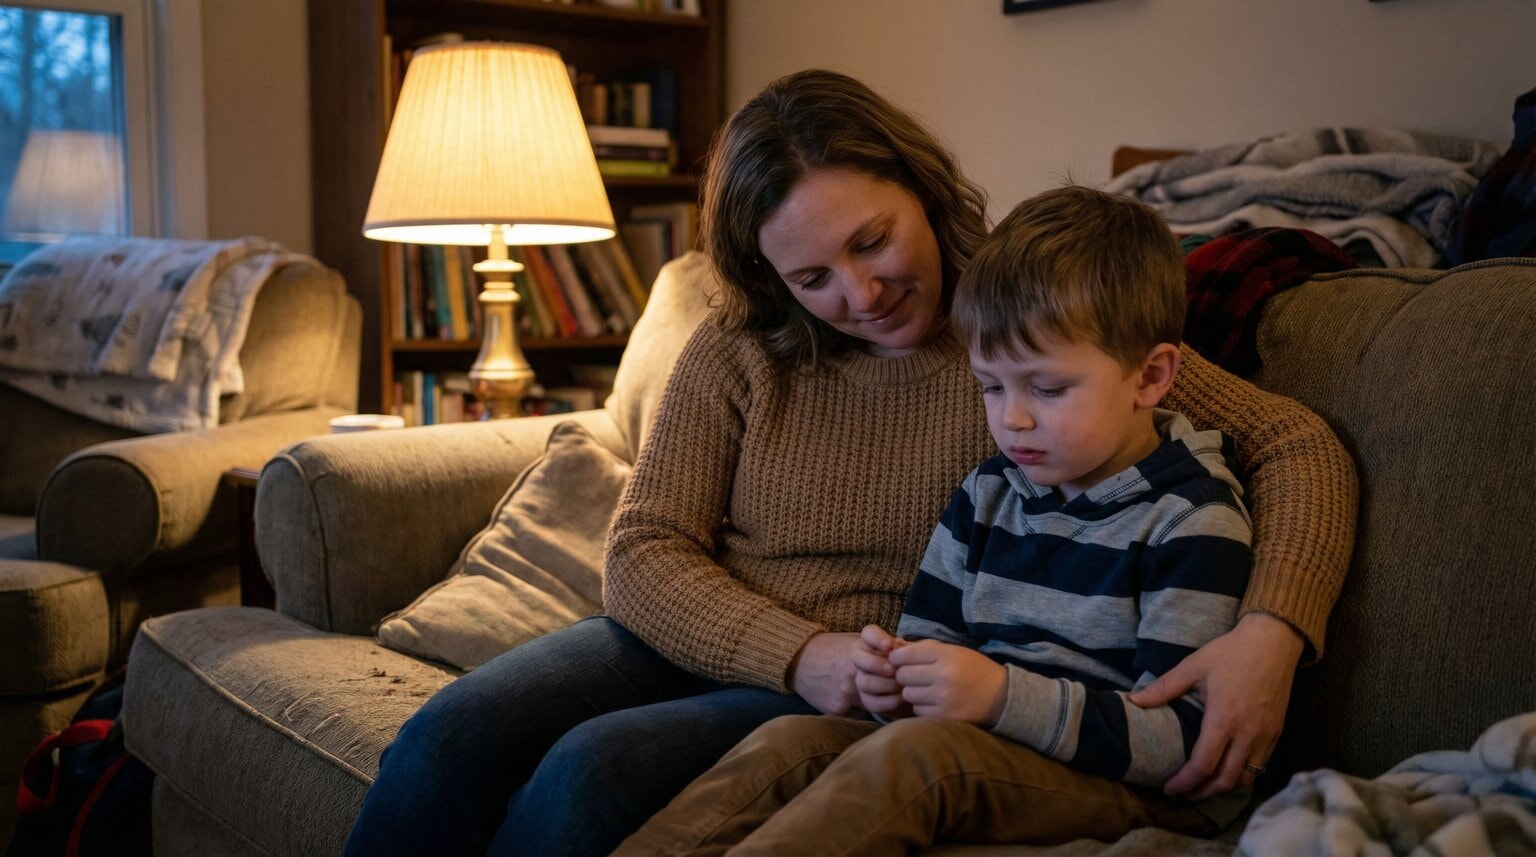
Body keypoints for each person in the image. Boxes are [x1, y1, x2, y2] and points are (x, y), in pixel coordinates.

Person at [342, 70, 1357, 857]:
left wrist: (1271, 632)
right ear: (766, 276)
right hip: (715, 638)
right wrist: (795, 651)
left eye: (875, 241)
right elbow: (645, 548)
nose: (862, 292)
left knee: (588, 770)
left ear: (922, 188)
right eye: (813, 275)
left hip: (875, 671)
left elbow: (1292, 440)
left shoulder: (1022, 324)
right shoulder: (740, 343)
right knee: (449, 735)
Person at [615, 185, 1258, 855]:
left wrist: (999, 695)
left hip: (1132, 785)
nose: (1013, 417)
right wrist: (892, 676)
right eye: (991, 385)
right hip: (981, 742)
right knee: (787, 742)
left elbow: (1181, 740)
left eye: (1047, 387)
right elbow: (929, 640)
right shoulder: (989, 492)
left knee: (921, 759)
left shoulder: (1191, 517)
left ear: (1150, 376)